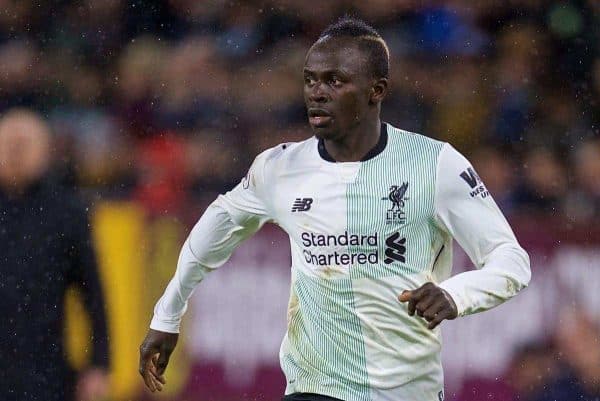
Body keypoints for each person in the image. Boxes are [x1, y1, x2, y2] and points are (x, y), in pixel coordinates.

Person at [139, 17, 531, 401]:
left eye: (334, 81)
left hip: (407, 390)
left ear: (376, 90)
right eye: (310, 79)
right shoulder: (280, 168)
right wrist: (168, 313)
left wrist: (455, 294)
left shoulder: (434, 165)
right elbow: (217, 228)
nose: (316, 92)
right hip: (314, 388)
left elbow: (511, 261)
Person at [0, 109, 110, 401]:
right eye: (9, 144)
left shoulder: (66, 212)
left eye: (24, 145)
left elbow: (93, 294)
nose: (16, 153)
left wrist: (99, 364)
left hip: (43, 370)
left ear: (45, 151)